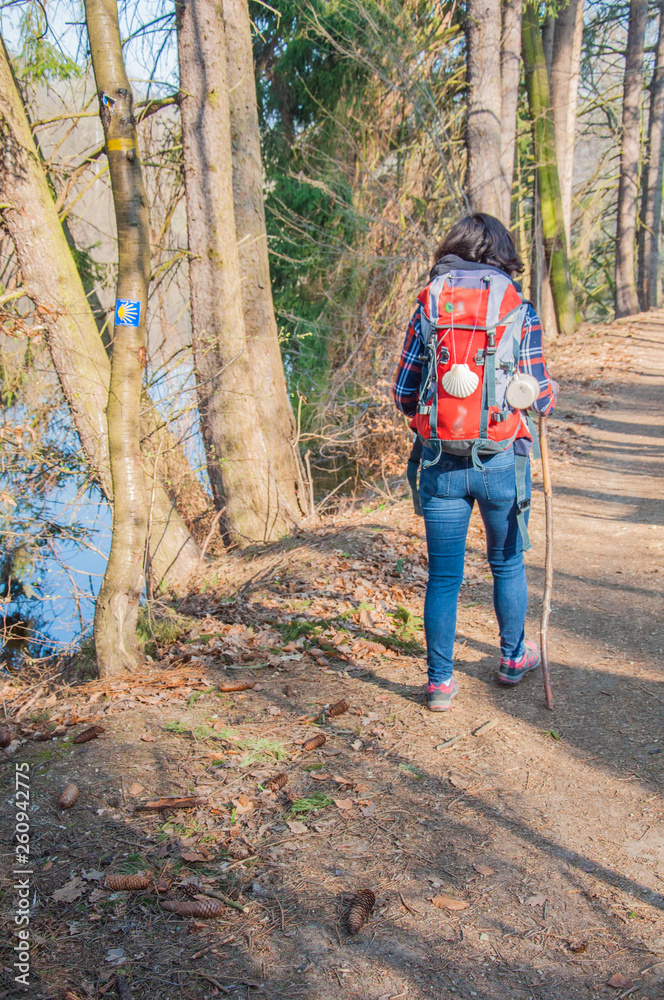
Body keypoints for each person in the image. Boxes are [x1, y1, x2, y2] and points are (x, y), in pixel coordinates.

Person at [393, 213, 558, 711]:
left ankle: (440, 683)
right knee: (506, 562)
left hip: (439, 460)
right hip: (501, 458)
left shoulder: (429, 301)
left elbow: (404, 391)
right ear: (503, 254)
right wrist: (535, 400)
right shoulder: (517, 306)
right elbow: (539, 396)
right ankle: (512, 658)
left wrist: (433, 418)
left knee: (444, 576)